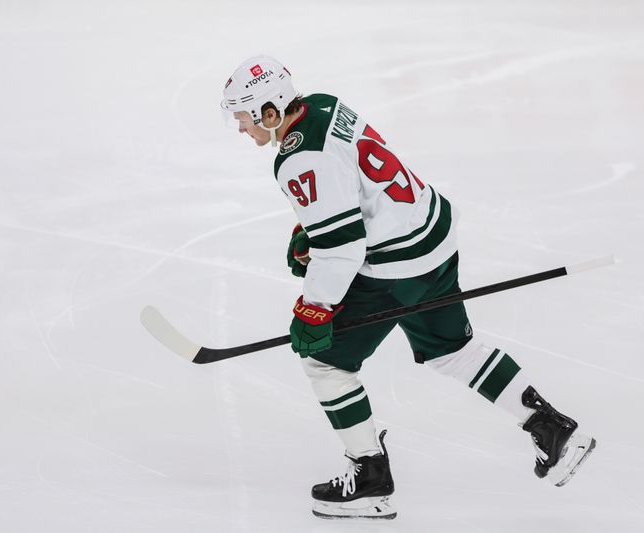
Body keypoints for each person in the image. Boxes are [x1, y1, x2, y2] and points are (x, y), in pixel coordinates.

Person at [220, 55, 596, 520]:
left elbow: (341, 249)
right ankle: (554, 429)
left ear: (270, 112)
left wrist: (313, 309)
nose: (239, 127)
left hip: (397, 265)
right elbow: (353, 186)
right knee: (452, 351)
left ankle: (370, 480)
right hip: (432, 232)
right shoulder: (323, 105)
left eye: (242, 115)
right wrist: (313, 232)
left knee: (324, 361)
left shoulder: (298, 158)